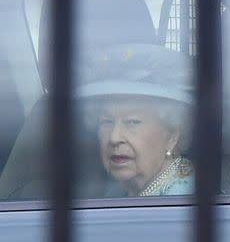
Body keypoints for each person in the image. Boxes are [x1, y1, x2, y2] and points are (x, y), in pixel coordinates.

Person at [78, 43, 195, 197]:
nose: (114, 138)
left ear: (172, 135)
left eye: (132, 122)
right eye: (107, 122)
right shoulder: (116, 190)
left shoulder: (183, 201)